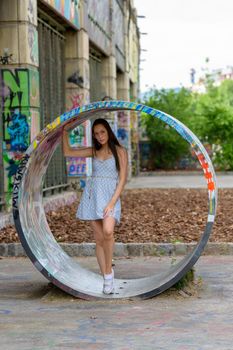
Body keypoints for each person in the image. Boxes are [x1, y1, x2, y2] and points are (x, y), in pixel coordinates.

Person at [63, 118, 128, 294]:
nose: (100, 136)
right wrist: (65, 131)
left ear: (108, 131)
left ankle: (109, 270)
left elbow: (122, 179)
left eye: (102, 132)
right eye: (96, 133)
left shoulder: (120, 151)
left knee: (108, 231)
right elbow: (67, 151)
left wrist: (112, 202)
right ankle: (107, 276)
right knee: (99, 239)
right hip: (92, 196)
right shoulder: (93, 151)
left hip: (110, 196)